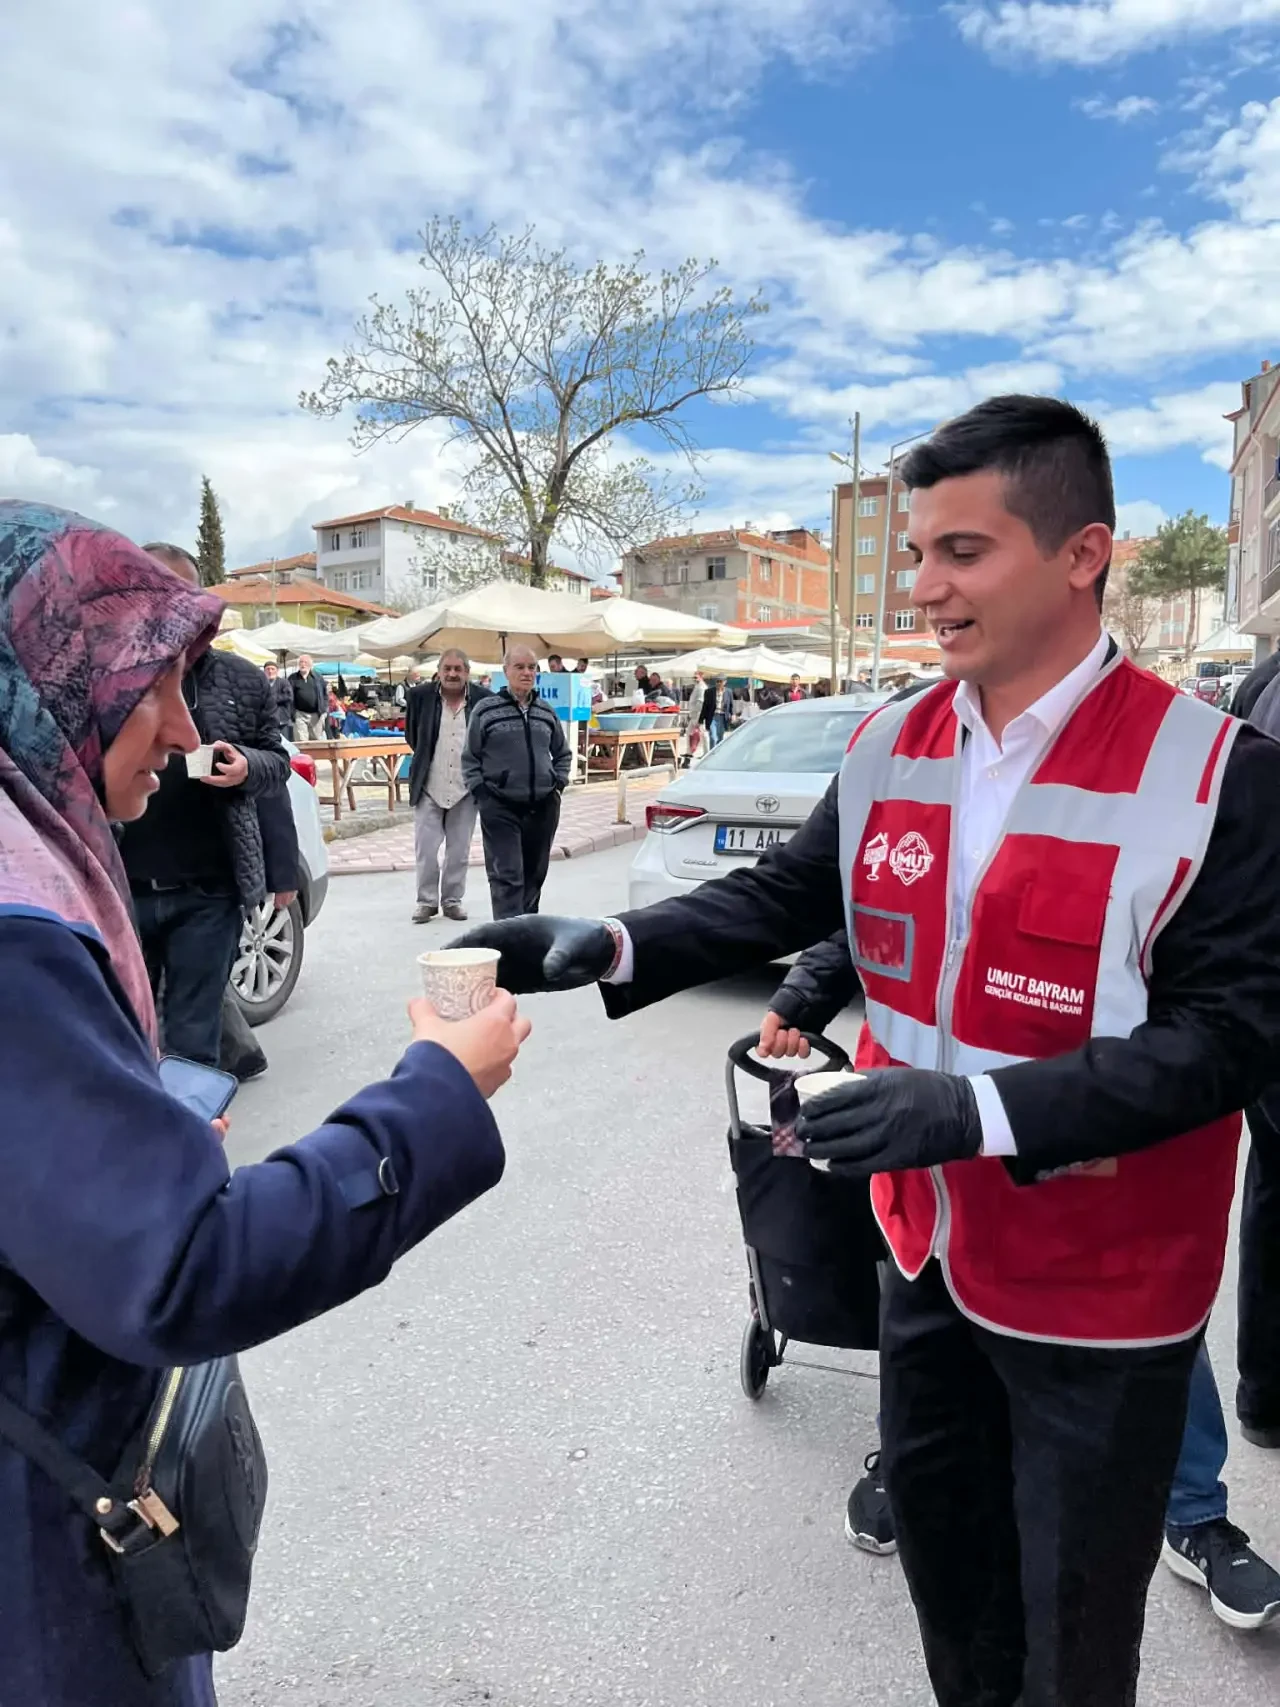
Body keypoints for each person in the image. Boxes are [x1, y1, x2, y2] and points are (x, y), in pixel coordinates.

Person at [454, 395, 1280, 1707]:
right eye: (915, 553)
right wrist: (612, 944)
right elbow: (789, 897)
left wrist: (973, 1112)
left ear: (1083, 554)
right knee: (951, 1588)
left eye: (963, 550)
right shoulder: (895, 735)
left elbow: (1229, 1044)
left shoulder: (1218, 772)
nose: (924, 586)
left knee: (1073, 1637)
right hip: (923, 1247)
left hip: (1105, 1286)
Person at [0, 500, 530, 1707]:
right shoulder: (16, 930)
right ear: (55, 676)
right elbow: (185, 1271)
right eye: (151, 684)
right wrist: (437, 1091)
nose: (183, 726)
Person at [761, 923, 1280, 1630]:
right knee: (920, 1268)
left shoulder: (1175, 815)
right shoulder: (925, 808)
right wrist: (806, 986)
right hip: (933, 1102)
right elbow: (865, 878)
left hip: (1092, 1095)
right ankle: (910, 1464)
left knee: (1137, 1294)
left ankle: (1194, 1513)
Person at [120, 544, 289, 1068]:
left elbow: (277, 760)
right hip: (124, 887)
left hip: (209, 889)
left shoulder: (239, 679)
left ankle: (191, 1138)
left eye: (181, 592)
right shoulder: (109, 673)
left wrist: (246, 768)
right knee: (126, 1028)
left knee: (192, 1036)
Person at [463, 643, 570, 920]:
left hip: (543, 805)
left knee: (535, 875)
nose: (526, 672)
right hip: (500, 805)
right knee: (507, 875)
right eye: (519, 667)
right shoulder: (485, 710)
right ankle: (507, 937)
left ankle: (527, 931)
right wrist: (482, 795)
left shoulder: (546, 711)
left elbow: (562, 753)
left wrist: (557, 784)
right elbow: (470, 757)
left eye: (532, 667)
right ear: (505, 671)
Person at [405, 648, 489, 925]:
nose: (452, 674)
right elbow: (413, 736)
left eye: (458, 669)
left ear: (467, 673)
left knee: (459, 849)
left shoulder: (482, 700)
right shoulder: (420, 697)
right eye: (447, 668)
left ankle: (452, 900)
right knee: (426, 849)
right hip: (429, 784)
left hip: (466, 788)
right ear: (439, 671)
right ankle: (426, 902)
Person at [288, 653, 326, 742]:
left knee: (317, 741)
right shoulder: (292, 678)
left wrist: (325, 710)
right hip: (299, 714)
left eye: (305, 662)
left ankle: (316, 756)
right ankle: (303, 756)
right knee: (301, 741)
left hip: (316, 714)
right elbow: (288, 696)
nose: (303, 664)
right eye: (301, 662)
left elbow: (325, 694)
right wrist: (291, 712)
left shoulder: (318, 677)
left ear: (310, 664)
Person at [261, 661, 294, 734]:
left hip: (282, 719)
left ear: (277, 671)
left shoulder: (283, 682)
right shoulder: (262, 683)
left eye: (272, 669)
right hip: (267, 721)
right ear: (264, 671)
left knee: (284, 743)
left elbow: (289, 696)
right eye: (268, 669)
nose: (270, 671)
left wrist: (272, 699)